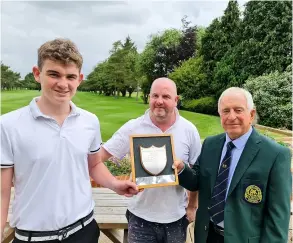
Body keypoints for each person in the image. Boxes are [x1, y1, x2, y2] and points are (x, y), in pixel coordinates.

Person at [1, 38, 138, 243]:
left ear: (79, 79)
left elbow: (94, 164)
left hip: (84, 230)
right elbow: (2, 193)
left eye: (70, 76)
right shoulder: (8, 125)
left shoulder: (90, 121)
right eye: (54, 74)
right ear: (37, 74)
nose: (63, 84)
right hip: (34, 237)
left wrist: (113, 184)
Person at [173, 87, 292, 243]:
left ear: (251, 114)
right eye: (226, 111)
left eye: (238, 110)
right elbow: (197, 181)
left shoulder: (275, 155)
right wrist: (181, 169)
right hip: (207, 235)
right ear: (220, 114)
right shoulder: (211, 145)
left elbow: (278, 217)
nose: (232, 116)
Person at [98, 77, 202, 243]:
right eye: (155, 96)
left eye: (166, 97)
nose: (159, 101)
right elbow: (98, 157)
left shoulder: (189, 130)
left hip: (176, 218)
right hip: (140, 217)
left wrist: (192, 206)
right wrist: (115, 183)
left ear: (176, 100)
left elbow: (197, 174)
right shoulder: (134, 127)